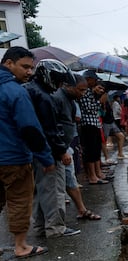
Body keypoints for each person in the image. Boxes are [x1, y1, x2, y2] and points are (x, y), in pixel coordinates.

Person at [0, 47, 55, 258]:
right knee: (19, 201)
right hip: (13, 158)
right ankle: (21, 246)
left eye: (31, 68)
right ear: (9, 64)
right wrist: (46, 158)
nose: (29, 72)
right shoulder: (16, 92)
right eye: (25, 67)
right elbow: (30, 128)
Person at [25, 58, 80, 239]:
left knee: (40, 191)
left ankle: (42, 227)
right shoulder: (43, 97)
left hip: (34, 152)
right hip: (47, 152)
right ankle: (56, 228)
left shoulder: (30, 91)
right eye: (57, 81)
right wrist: (61, 151)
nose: (58, 85)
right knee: (54, 190)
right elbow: (50, 129)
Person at [53, 72, 100, 221]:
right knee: (58, 187)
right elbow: (53, 128)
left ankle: (81, 210)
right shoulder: (57, 99)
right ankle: (55, 226)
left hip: (65, 146)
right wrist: (61, 150)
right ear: (68, 86)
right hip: (59, 149)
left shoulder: (71, 100)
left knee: (70, 180)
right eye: (80, 90)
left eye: (85, 90)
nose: (83, 93)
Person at [77, 70, 110, 184]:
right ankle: (92, 176)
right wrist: (99, 102)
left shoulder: (90, 92)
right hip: (88, 124)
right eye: (94, 80)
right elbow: (88, 108)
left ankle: (98, 173)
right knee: (90, 151)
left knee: (96, 150)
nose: (95, 82)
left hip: (95, 123)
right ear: (88, 79)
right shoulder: (84, 92)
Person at [102, 92, 126, 160]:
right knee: (104, 140)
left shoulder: (108, 102)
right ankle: (106, 157)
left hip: (111, 122)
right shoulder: (100, 103)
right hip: (105, 123)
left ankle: (120, 153)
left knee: (121, 136)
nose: (106, 95)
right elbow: (101, 114)